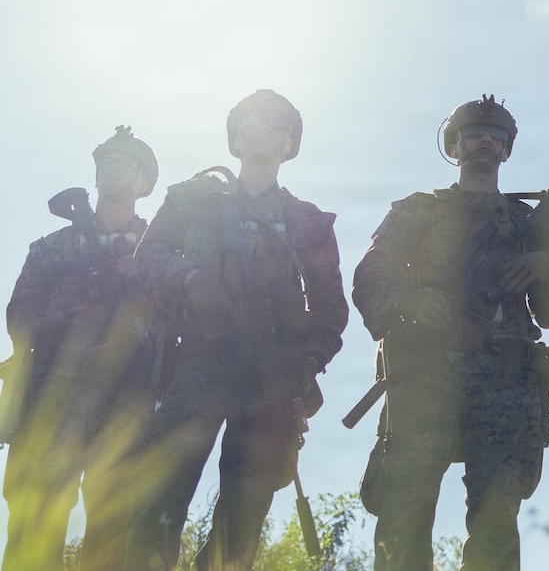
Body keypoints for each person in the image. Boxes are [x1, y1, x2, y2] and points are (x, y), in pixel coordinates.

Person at [123, 90, 348, 571]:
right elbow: (148, 256)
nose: (264, 127)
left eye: (277, 122)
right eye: (252, 120)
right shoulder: (192, 199)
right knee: (157, 506)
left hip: (271, 379)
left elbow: (331, 309)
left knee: (239, 530)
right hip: (197, 364)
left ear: (291, 142)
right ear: (235, 135)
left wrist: (304, 367)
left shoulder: (307, 220)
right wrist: (191, 277)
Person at [352, 94, 549, 570]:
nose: (485, 141)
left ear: (507, 150)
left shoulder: (527, 222)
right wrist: (408, 300)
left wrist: (548, 262)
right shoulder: (417, 212)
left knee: (497, 515)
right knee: (405, 508)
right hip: (425, 373)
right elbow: (371, 273)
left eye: (497, 136)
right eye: (474, 133)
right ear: (454, 145)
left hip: (505, 375)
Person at [1, 126, 158, 571]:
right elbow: (19, 316)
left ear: (145, 183)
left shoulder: (159, 247)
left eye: (126, 162)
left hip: (126, 396)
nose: (113, 167)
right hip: (53, 393)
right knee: (33, 527)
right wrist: (59, 327)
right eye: (106, 161)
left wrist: (143, 280)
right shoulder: (52, 246)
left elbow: (179, 317)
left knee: (115, 532)